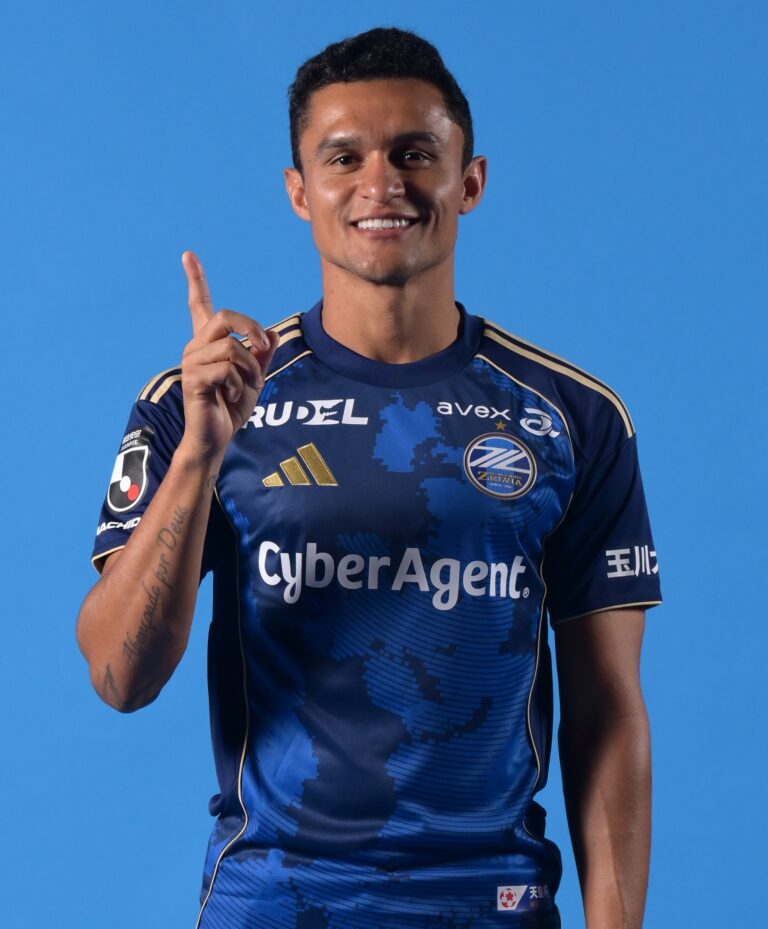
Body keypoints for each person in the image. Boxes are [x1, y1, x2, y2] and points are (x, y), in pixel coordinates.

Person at [77, 27, 662, 929]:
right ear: (299, 191)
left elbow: (608, 712)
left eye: (414, 153)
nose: (380, 183)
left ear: (470, 181)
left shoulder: (573, 416)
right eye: (344, 157)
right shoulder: (198, 403)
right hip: (273, 906)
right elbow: (121, 676)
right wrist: (198, 457)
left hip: (490, 906)